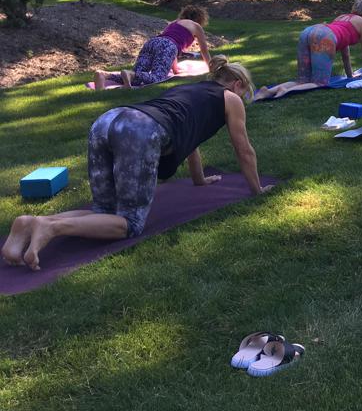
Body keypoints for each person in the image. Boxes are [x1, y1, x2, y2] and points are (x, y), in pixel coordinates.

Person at [3, 56, 272, 271]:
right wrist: (257, 191)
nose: (243, 97)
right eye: (245, 91)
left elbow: (191, 141)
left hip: (107, 121)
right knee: (129, 223)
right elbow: (244, 150)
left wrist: (199, 180)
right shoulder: (231, 99)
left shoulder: (191, 89)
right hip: (139, 131)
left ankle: (31, 222)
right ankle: (53, 227)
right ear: (237, 84)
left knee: (104, 209)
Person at [254, 0, 362, 100]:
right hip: (324, 37)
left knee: (303, 80)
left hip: (308, 31)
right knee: (320, 83)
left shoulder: (342, 17)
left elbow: (345, 53)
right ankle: (285, 91)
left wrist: (350, 76)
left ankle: (268, 92)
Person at [94, 5, 211, 89]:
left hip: (153, 42)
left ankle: (104, 74)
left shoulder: (174, 22)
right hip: (168, 46)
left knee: (138, 75)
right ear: (200, 18)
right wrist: (212, 68)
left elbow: (171, 48)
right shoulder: (196, 26)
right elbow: (204, 51)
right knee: (158, 78)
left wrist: (175, 69)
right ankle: (130, 74)